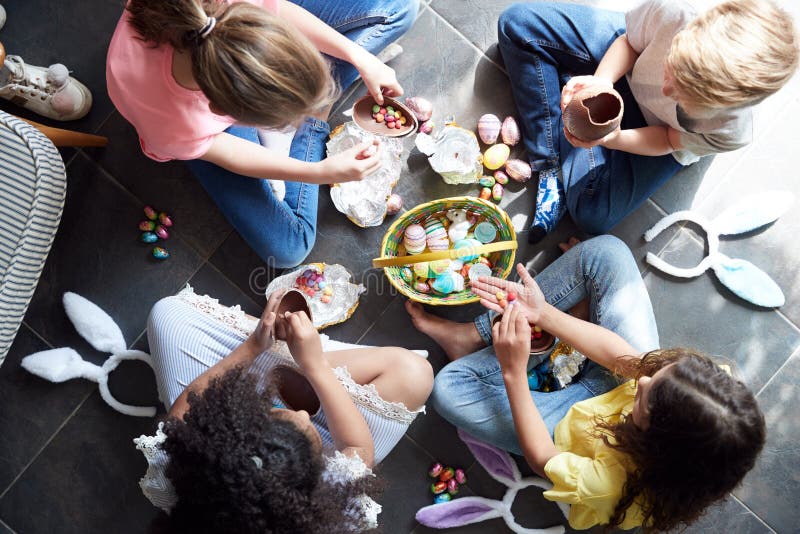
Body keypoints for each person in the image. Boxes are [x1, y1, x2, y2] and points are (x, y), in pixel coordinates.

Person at [407, 235, 765, 531]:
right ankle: (480, 335)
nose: (641, 383)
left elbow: (541, 458)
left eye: (647, 398)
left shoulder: (608, 486)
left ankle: (540, 346)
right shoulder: (703, 390)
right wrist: (543, 313)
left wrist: (513, 372)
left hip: (568, 430)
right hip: (609, 377)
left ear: (655, 442)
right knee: (605, 254)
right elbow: (625, 362)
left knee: (448, 391)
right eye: (656, 376)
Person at [107, 0, 419, 266]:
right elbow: (224, 150)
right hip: (190, 124)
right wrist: (316, 171)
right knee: (289, 247)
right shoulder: (174, 123)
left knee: (402, 6)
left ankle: (311, 106)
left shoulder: (230, 9)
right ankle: (313, 118)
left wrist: (357, 56)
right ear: (223, 112)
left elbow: (278, 8)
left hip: (217, 66)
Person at [496, 0, 799, 244]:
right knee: (518, 24)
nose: (665, 91)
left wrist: (610, 138)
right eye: (672, 70)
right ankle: (551, 161)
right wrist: (601, 83)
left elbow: (667, 139)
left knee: (593, 216)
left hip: (656, 133)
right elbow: (629, 43)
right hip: (627, 62)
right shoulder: (677, 12)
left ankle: (560, 97)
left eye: (683, 100)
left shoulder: (729, 131)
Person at [136, 286, 433, 533]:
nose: (304, 415)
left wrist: (252, 347)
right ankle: (310, 350)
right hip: (343, 442)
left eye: (278, 414)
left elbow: (181, 415)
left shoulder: (189, 469)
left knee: (168, 313)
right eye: (304, 420)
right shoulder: (325, 512)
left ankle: (287, 351)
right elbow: (358, 449)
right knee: (414, 373)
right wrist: (314, 364)